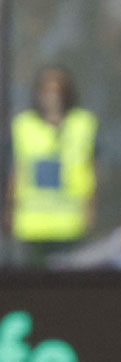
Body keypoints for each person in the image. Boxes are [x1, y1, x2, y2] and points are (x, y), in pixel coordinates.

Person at [7, 66, 98, 267]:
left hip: (70, 221)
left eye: (57, 91)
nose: (52, 97)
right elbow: (16, 169)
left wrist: (90, 207)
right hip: (32, 222)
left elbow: (90, 168)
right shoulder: (23, 125)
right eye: (47, 91)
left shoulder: (83, 124)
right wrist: (10, 210)